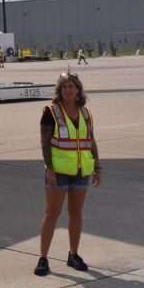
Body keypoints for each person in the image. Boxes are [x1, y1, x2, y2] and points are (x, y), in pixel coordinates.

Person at [35, 71, 101, 276]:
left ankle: (73, 254)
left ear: (78, 90)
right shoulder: (51, 111)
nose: (67, 89)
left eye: (71, 86)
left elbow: (91, 141)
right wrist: (51, 169)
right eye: (64, 86)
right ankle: (43, 258)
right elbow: (45, 144)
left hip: (81, 170)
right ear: (59, 90)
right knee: (51, 214)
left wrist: (97, 168)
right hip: (59, 171)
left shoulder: (85, 113)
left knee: (75, 212)